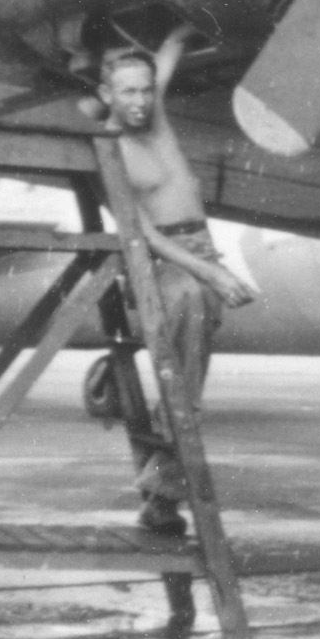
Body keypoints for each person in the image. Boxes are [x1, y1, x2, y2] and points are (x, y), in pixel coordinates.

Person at [95, 27, 259, 533]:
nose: (142, 100)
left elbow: (167, 50)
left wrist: (191, 22)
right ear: (107, 95)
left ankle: (163, 484)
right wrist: (210, 270)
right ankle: (165, 482)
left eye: (147, 89)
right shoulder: (108, 151)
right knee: (190, 309)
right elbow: (141, 236)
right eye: (129, 92)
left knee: (191, 360)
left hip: (200, 249)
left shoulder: (155, 116)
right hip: (162, 261)